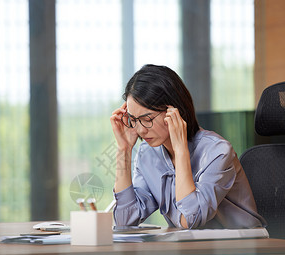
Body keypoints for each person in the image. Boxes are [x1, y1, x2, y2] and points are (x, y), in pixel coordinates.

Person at [110, 64, 266, 229]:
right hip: (192, 249)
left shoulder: (218, 152)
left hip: (241, 248)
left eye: (147, 119)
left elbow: (190, 219)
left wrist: (180, 150)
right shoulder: (147, 154)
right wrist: (124, 151)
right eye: (134, 120)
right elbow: (124, 220)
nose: (140, 130)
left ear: (174, 111)